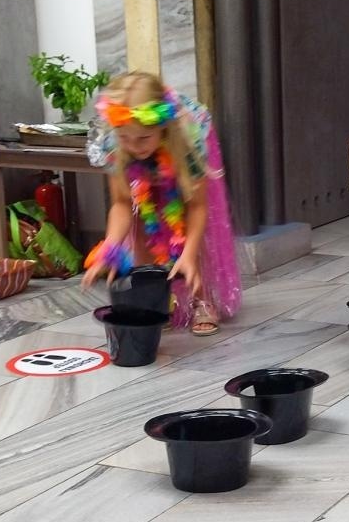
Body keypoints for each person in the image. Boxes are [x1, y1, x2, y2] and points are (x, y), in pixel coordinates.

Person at [82, 71, 241, 334]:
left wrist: (188, 254)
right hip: (142, 169)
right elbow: (122, 204)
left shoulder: (188, 141)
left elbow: (197, 207)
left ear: (162, 128)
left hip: (181, 156)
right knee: (145, 225)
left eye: (143, 138)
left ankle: (202, 300)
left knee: (188, 236)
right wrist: (109, 249)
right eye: (126, 138)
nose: (135, 146)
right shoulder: (117, 145)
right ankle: (157, 299)